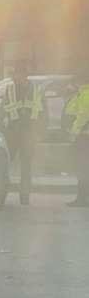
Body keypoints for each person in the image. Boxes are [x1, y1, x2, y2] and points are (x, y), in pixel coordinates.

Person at [0, 63, 44, 205]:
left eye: (17, 74)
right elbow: (2, 109)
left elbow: (43, 112)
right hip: (13, 131)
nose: (14, 77)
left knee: (26, 166)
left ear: (24, 75)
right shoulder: (9, 90)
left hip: (29, 133)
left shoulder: (36, 89)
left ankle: (24, 196)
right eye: (14, 74)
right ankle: (0, 193)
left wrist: (41, 132)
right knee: (5, 164)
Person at [65, 70, 89, 207]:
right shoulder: (80, 94)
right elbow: (69, 110)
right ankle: (81, 198)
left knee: (83, 168)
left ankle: (81, 198)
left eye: (73, 82)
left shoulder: (85, 94)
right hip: (83, 136)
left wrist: (73, 134)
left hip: (84, 137)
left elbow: (82, 116)